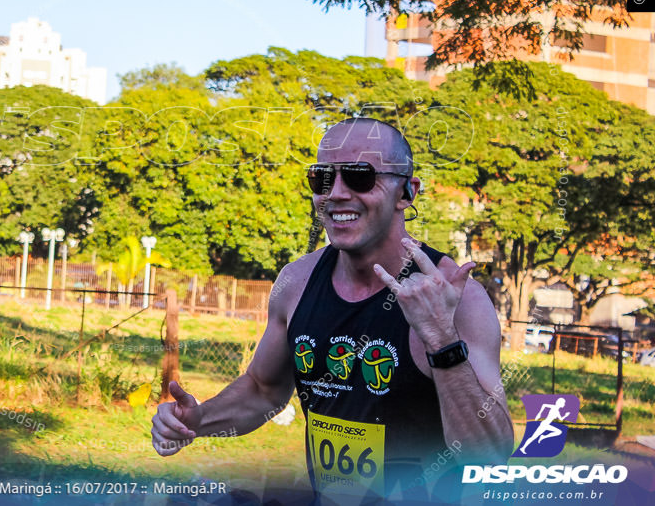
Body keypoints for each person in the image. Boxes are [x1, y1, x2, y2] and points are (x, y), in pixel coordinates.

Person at [151, 117, 513, 504]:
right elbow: (263, 390)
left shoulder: (456, 297)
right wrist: (199, 420)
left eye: (359, 177)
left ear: (407, 192)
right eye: (321, 179)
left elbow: (489, 456)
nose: (336, 193)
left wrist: (441, 338)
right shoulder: (297, 281)